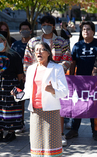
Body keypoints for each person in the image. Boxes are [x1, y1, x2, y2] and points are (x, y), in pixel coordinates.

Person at [12, 42, 69, 157]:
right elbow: (27, 91)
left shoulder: (56, 69)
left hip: (50, 109)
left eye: (42, 50)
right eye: (36, 50)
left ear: (49, 53)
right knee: (36, 139)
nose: (39, 52)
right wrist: (18, 95)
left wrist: (52, 90)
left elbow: (65, 91)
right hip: (35, 109)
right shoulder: (31, 69)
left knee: (51, 140)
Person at [23, 15, 71, 147]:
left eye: (48, 24)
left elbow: (67, 58)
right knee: (37, 107)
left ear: (53, 26)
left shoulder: (62, 41)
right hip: (37, 78)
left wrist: (56, 71)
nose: (46, 27)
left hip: (55, 78)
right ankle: (38, 137)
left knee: (57, 107)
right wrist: (29, 76)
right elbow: (27, 60)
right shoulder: (33, 42)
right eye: (43, 24)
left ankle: (59, 135)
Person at [65, 21, 97, 141]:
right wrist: (71, 78)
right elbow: (73, 63)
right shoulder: (77, 45)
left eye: (88, 29)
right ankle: (74, 129)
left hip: (95, 81)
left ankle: (95, 131)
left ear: (93, 31)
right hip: (80, 81)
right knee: (78, 105)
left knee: (94, 105)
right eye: (83, 30)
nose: (86, 31)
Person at [11, 21, 32, 134]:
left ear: (30, 31)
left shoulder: (35, 44)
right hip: (19, 78)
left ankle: (36, 123)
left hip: (32, 78)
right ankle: (21, 123)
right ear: (19, 31)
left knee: (34, 101)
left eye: (26, 29)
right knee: (20, 101)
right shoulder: (15, 45)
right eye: (22, 29)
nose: (24, 31)